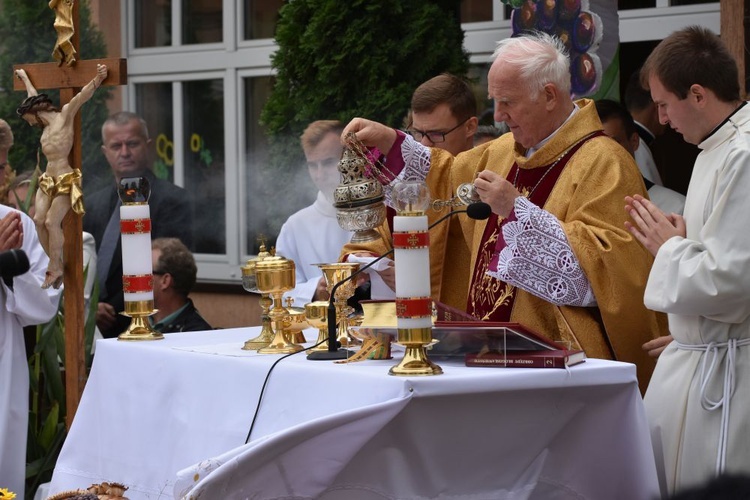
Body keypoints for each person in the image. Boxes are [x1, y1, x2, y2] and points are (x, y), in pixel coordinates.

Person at [343, 32, 668, 391]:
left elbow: (615, 269)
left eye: (508, 102)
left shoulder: (605, 162)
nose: (497, 116)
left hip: (558, 363)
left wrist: (517, 211)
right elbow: (444, 178)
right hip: (483, 351)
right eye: (496, 102)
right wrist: (389, 141)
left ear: (549, 95)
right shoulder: (500, 152)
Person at [624, 26, 750, 496]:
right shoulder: (713, 150)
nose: (660, 117)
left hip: (731, 378)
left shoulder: (743, 155)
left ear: (697, 94)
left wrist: (668, 247)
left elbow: (731, 281)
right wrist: (684, 337)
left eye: (664, 104)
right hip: (705, 360)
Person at [342, 73, 479, 309]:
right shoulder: (404, 184)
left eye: (437, 134)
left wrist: (414, 279)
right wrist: (364, 260)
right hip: (399, 323)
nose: (424, 145)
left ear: (470, 127)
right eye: (417, 133)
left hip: (465, 323)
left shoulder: (485, 171)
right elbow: (372, 239)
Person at [85, 112, 193, 338]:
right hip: (91, 328)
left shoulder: (172, 200)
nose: (124, 152)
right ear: (105, 152)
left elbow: (168, 267)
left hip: (147, 324)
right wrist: (90, 306)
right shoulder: (92, 203)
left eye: (132, 144)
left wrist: (115, 311)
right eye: (116, 146)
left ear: (147, 146)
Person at [15, 64, 107, 289]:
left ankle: (54, 267)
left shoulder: (64, 116)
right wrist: (25, 78)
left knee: (51, 222)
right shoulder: (44, 128)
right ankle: (55, 264)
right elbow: (32, 97)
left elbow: (81, 97)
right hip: (48, 178)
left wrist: (98, 78)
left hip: (65, 178)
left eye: (28, 119)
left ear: (35, 113)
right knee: (38, 221)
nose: (28, 123)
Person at [0, 157, 61, 499]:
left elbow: (43, 306)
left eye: (3, 166)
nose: (4, 176)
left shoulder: (13, 223)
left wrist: (10, 269)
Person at [275, 120, 354, 307]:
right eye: (312, 165)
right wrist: (315, 290)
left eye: (328, 163)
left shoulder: (382, 214)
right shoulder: (295, 226)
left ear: (350, 158)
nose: (319, 175)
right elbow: (278, 293)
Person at [6, 170, 98, 324]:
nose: (19, 211)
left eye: (28, 203)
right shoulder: (13, 248)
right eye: (12, 206)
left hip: (74, 340)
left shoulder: (79, 241)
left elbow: (77, 299)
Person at [594, 99, 685, 215]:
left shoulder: (675, 207)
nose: (602, 154)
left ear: (634, 141)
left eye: (613, 144)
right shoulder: (577, 211)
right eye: (592, 146)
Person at [625, 70, 700, 195]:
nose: (664, 119)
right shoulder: (635, 148)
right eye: (663, 105)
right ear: (656, 106)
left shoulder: (642, 144)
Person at [150, 237, 211, 333]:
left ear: (165, 281)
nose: (139, 278)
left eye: (146, 272)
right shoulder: (138, 322)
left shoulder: (196, 334)